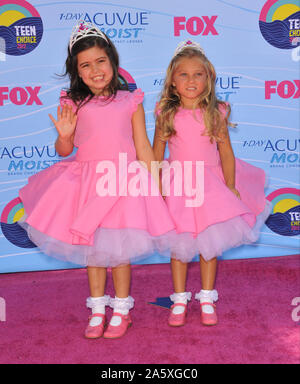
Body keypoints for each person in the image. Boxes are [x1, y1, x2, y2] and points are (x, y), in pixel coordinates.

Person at [19, 21, 174, 339]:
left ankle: (121, 309)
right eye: (86, 66)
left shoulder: (131, 100)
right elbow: (65, 149)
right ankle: (98, 308)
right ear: (77, 72)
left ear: (113, 62)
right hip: (89, 184)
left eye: (100, 61)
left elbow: (142, 145)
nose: (95, 70)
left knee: (119, 251)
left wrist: (155, 182)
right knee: (93, 251)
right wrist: (63, 136)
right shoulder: (72, 102)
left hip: (124, 183)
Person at [153, 40, 271, 327]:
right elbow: (156, 155)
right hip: (178, 184)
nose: (191, 80)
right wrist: (155, 189)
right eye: (184, 75)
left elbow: (226, 153)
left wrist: (230, 185)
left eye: (198, 74)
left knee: (210, 243)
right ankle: (179, 298)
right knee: (179, 246)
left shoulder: (216, 111)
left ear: (209, 78)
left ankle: (207, 297)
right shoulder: (165, 113)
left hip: (210, 185)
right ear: (172, 82)